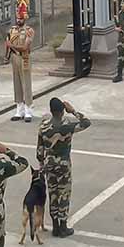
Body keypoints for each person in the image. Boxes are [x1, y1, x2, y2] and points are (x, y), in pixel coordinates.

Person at [36, 96, 91, 237]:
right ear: (62, 111)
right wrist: (73, 111)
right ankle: (63, 227)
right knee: (64, 194)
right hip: (63, 164)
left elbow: (39, 151)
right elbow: (86, 123)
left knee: (53, 194)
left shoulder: (43, 125)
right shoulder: (66, 126)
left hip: (49, 164)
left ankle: (55, 226)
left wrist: (42, 164)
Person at [6, 0, 34, 121]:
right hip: (15, 58)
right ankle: (19, 109)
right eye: (17, 18)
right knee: (16, 83)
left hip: (24, 57)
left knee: (26, 83)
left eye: (21, 19)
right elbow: (8, 46)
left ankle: (28, 110)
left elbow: (25, 47)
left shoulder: (29, 30)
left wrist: (11, 45)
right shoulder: (12, 30)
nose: (18, 20)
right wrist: (8, 54)